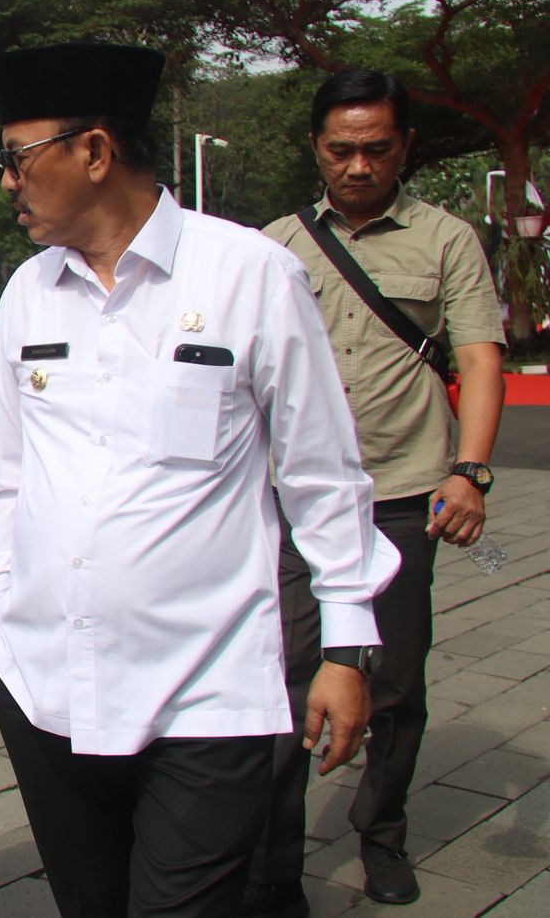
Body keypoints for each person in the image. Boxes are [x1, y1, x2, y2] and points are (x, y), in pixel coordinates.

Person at [0, 42, 399, 918]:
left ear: (94, 151)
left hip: (204, 692)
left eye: (17, 158)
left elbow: (322, 474)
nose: (7, 181)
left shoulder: (250, 275)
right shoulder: (28, 294)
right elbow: (3, 480)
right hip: (44, 681)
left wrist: (347, 648)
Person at [246, 70, 506, 914]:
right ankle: (273, 865)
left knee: (392, 684)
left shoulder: (447, 239)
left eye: (377, 149)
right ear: (315, 148)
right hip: (291, 496)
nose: (358, 166)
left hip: (401, 491)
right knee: (286, 679)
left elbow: (479, 357)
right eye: (341, 149)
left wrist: (469, 472)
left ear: (405, 148)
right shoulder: (276, 244)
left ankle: (381, 833)